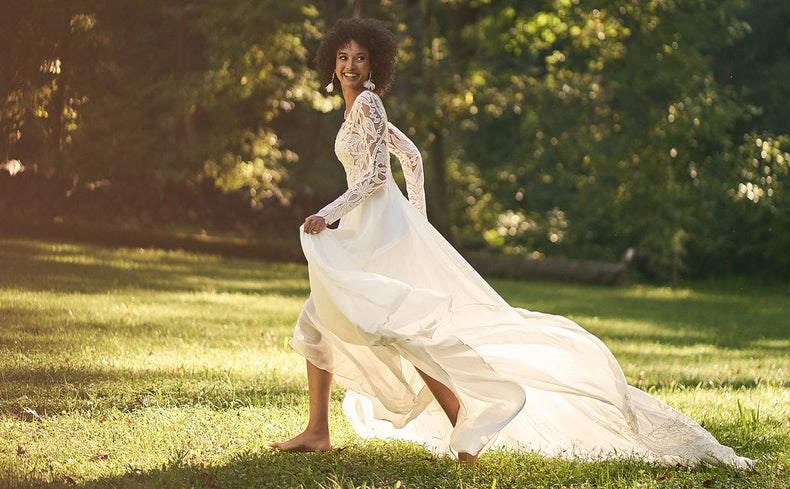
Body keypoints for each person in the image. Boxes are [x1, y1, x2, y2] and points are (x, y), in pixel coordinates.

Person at [269, 18, 752, 468]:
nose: (350, 66)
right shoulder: (354, 108)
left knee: (394, 328)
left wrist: (354, 217)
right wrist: (414, 220)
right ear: (332, 64)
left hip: (375, 228)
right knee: (327, 319)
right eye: (342, 58)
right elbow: (411, 156)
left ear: (375, 65)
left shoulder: (370, 104)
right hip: (372, 228)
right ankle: (321, 429)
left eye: (359, 58)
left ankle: (461, 423)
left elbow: (376, 175)